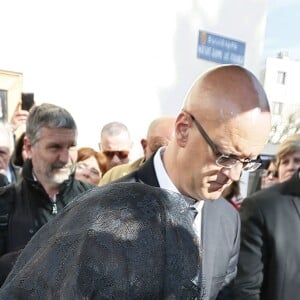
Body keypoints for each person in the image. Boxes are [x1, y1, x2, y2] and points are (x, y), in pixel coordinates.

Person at [0, 65, 272, 299]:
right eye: (225, 156)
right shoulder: (104, 210)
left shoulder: (227, 220)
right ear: (183, 129)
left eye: (247, 162)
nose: (235, 175)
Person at [0, 103, 94, 286]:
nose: (65, 158)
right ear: (28, 147)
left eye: (71, 147)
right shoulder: (4, 204)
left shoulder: (95, 201)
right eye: (55, 147)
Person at [233, 133, 300, 300]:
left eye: (297, 160)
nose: (291, 167)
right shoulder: (261, 206)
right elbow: (246, 286)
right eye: (285, 162)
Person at [99, 116, 175, 185]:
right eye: (109, 154)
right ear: (144, 146)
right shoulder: (114, 176)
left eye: (122, 154)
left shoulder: (184, 182)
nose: (115, 160)